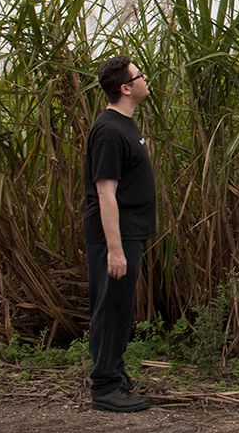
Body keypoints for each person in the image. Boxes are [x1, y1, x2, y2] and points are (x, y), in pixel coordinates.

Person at [82, 55, 156, 412]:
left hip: (129, 232)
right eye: (139, 75)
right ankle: (105, 388)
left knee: (119, 307)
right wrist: (114, 250)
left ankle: (113, 374)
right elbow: (105, 192)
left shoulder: (125, 125)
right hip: (115, 235)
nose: (146, 78)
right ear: (126, 88)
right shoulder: (110, 130)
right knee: (111, 307)